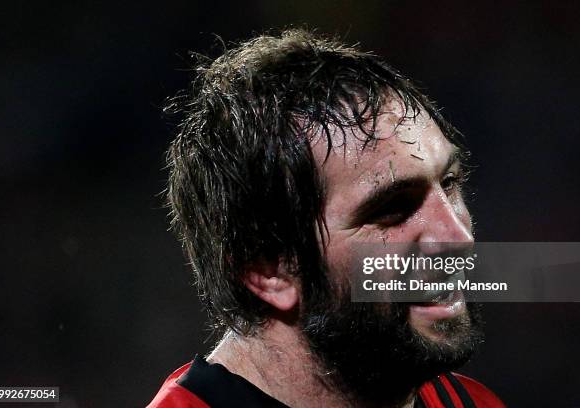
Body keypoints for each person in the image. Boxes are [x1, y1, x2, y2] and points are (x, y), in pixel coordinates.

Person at [149, 28, 505, 408]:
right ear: (271, 270)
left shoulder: (472, 402)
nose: (457, 236)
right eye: (392, 210)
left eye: (449, 183)